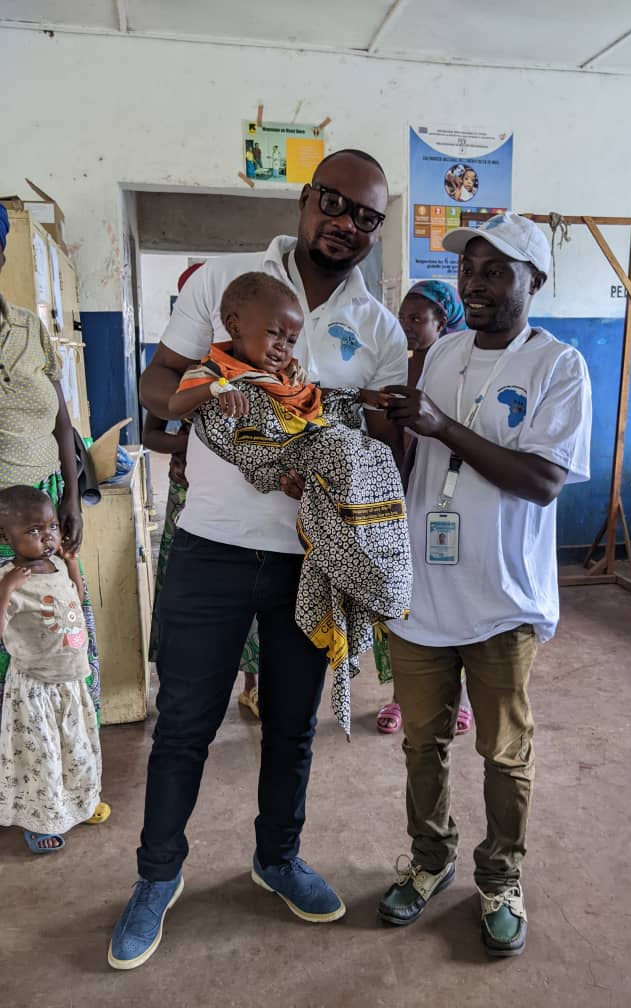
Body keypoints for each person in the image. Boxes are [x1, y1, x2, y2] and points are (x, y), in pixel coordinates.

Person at [108, 149, 407, 970]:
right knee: (185, 724)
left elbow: (380, 437)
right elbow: (156, 383)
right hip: (210, 546)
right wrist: (213, 405)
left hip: (310, 559)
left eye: (367, 218)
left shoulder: (379, 328)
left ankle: (277, 858)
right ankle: (157, 876)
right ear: (307, 199)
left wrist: (334, 449)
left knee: (292, 727)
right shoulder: (223, 281)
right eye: (334, 204)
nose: (346, 225)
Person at [377, 212, 592, 958]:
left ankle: (500, 877)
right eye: (469, 269)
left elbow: (542, 481)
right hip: (421, 594)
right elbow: (415, 461)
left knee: (504, 753)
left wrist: (442, 427)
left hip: (503, 598)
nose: (476, 284)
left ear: (536, 281)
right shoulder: (441, 352)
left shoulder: (559, 366)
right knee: (422, 744)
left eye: (496, 271)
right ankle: (430, 859)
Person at [168, 270, 411, 736]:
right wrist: (217, 392)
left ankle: (378, 579)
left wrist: (361, 396)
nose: (283, 347)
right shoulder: (214, 374)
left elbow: (316, 401)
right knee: (187, 722)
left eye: (291, 339)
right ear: (234, 325)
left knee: (367, 459)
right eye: (275, 334)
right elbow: (191, 414)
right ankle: (374, 579)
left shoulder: (288, 379)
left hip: (298, 515)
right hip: (225, 532)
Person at [0, 205, 109, 850]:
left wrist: (71, 492)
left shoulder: (27, 328)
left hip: (39, 509)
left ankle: (68, 787)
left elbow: (62, 416)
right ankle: (25, 798)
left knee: (62, 648)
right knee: (10, 668)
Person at [143, 262, 262, 716]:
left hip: (250, 499)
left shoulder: (257, 365)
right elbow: (152, 434)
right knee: (193, 600)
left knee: (255, 598)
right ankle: (187, 686)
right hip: (190, 496)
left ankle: (254, 685)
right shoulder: (184, 371)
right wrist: (193, 445)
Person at [376, 279, 473, 736]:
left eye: (417, 319)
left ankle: (462, 698)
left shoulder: (462, 371)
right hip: (403, 496)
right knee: (404, 601)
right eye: (402, 318)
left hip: (451, 499)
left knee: (456, 598)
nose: (406, 327)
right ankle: (403, 696)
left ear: (444, 321)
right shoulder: (398, 365)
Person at [0, 486, 102, 852]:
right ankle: (40, 823)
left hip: (70, 682)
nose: (48, 538)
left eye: (52, 527)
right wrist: (6, 588)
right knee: (42, 759)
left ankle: (78, 803)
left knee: (75, 749)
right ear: (5, 537)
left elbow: (76, 600)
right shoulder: (11, 579)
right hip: (34, 688)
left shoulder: (58, 565)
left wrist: (72, 565)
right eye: (34, 531)